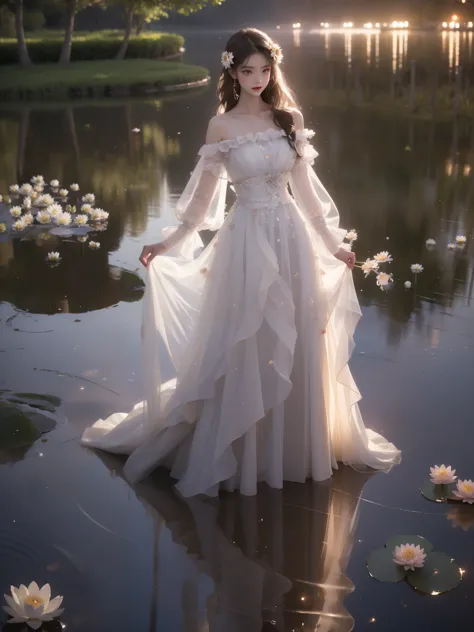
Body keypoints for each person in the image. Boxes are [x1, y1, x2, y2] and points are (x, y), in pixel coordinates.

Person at [81, 28, 401, 497]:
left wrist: (332, 243)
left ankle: (294, 445)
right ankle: (242, 449)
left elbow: (307, 195)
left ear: (274, 70)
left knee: (297, 338)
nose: (257, 78)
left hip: (292, 241)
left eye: (265, 69)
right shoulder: (222, 127)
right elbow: (200, 203)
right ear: (232, 70)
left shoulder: (289, 118)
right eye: (247, 70)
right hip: (246, 243)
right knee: (245, 338)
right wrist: (167, 241)